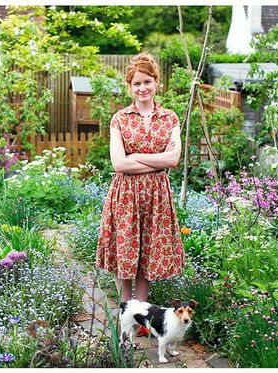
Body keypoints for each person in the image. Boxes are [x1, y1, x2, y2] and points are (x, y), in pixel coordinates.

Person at [96, 53, 185, 310]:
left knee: (147, 253)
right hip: (125, 195)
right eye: (136, 83)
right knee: (124, 252)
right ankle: (126, 313)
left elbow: (174, 158)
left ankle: (142, 313)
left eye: (147, 81)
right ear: (130, 87)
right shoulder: (120, 119)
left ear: (156, 82)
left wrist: (136, 156)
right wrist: (158, 159)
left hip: (157, 196)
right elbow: (119, 164)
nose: (142, 88)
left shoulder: (170, 118)